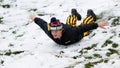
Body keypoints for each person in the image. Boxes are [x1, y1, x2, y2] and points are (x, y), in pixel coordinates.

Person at [30, 14, 108, 45]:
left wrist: (97, 24)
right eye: (53, 31)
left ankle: (90, 15)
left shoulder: (72, 32)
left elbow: (83, 28)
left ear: (61, 30)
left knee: (84, 24)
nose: (54, 33)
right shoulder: (50, 31)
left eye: (56, 31)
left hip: (77, 36)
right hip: (68, 26)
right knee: (70, 21)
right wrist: (35, 18)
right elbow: (42, 23)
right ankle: (74, 14)